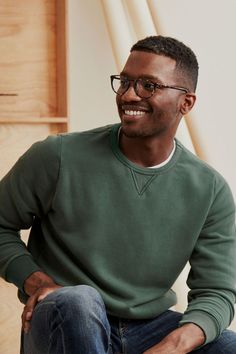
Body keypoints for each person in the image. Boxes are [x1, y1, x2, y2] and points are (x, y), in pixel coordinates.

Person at [0, 35, 236, 354]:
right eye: (124, 81)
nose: (128, 94)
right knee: (79, 300)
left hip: (148, 329)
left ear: (187, 102)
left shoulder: (210, 190)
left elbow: (217, 292)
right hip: (66, 317)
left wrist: (173, 346)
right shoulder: (57, 156)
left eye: (148, 85)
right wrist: (37, 282)